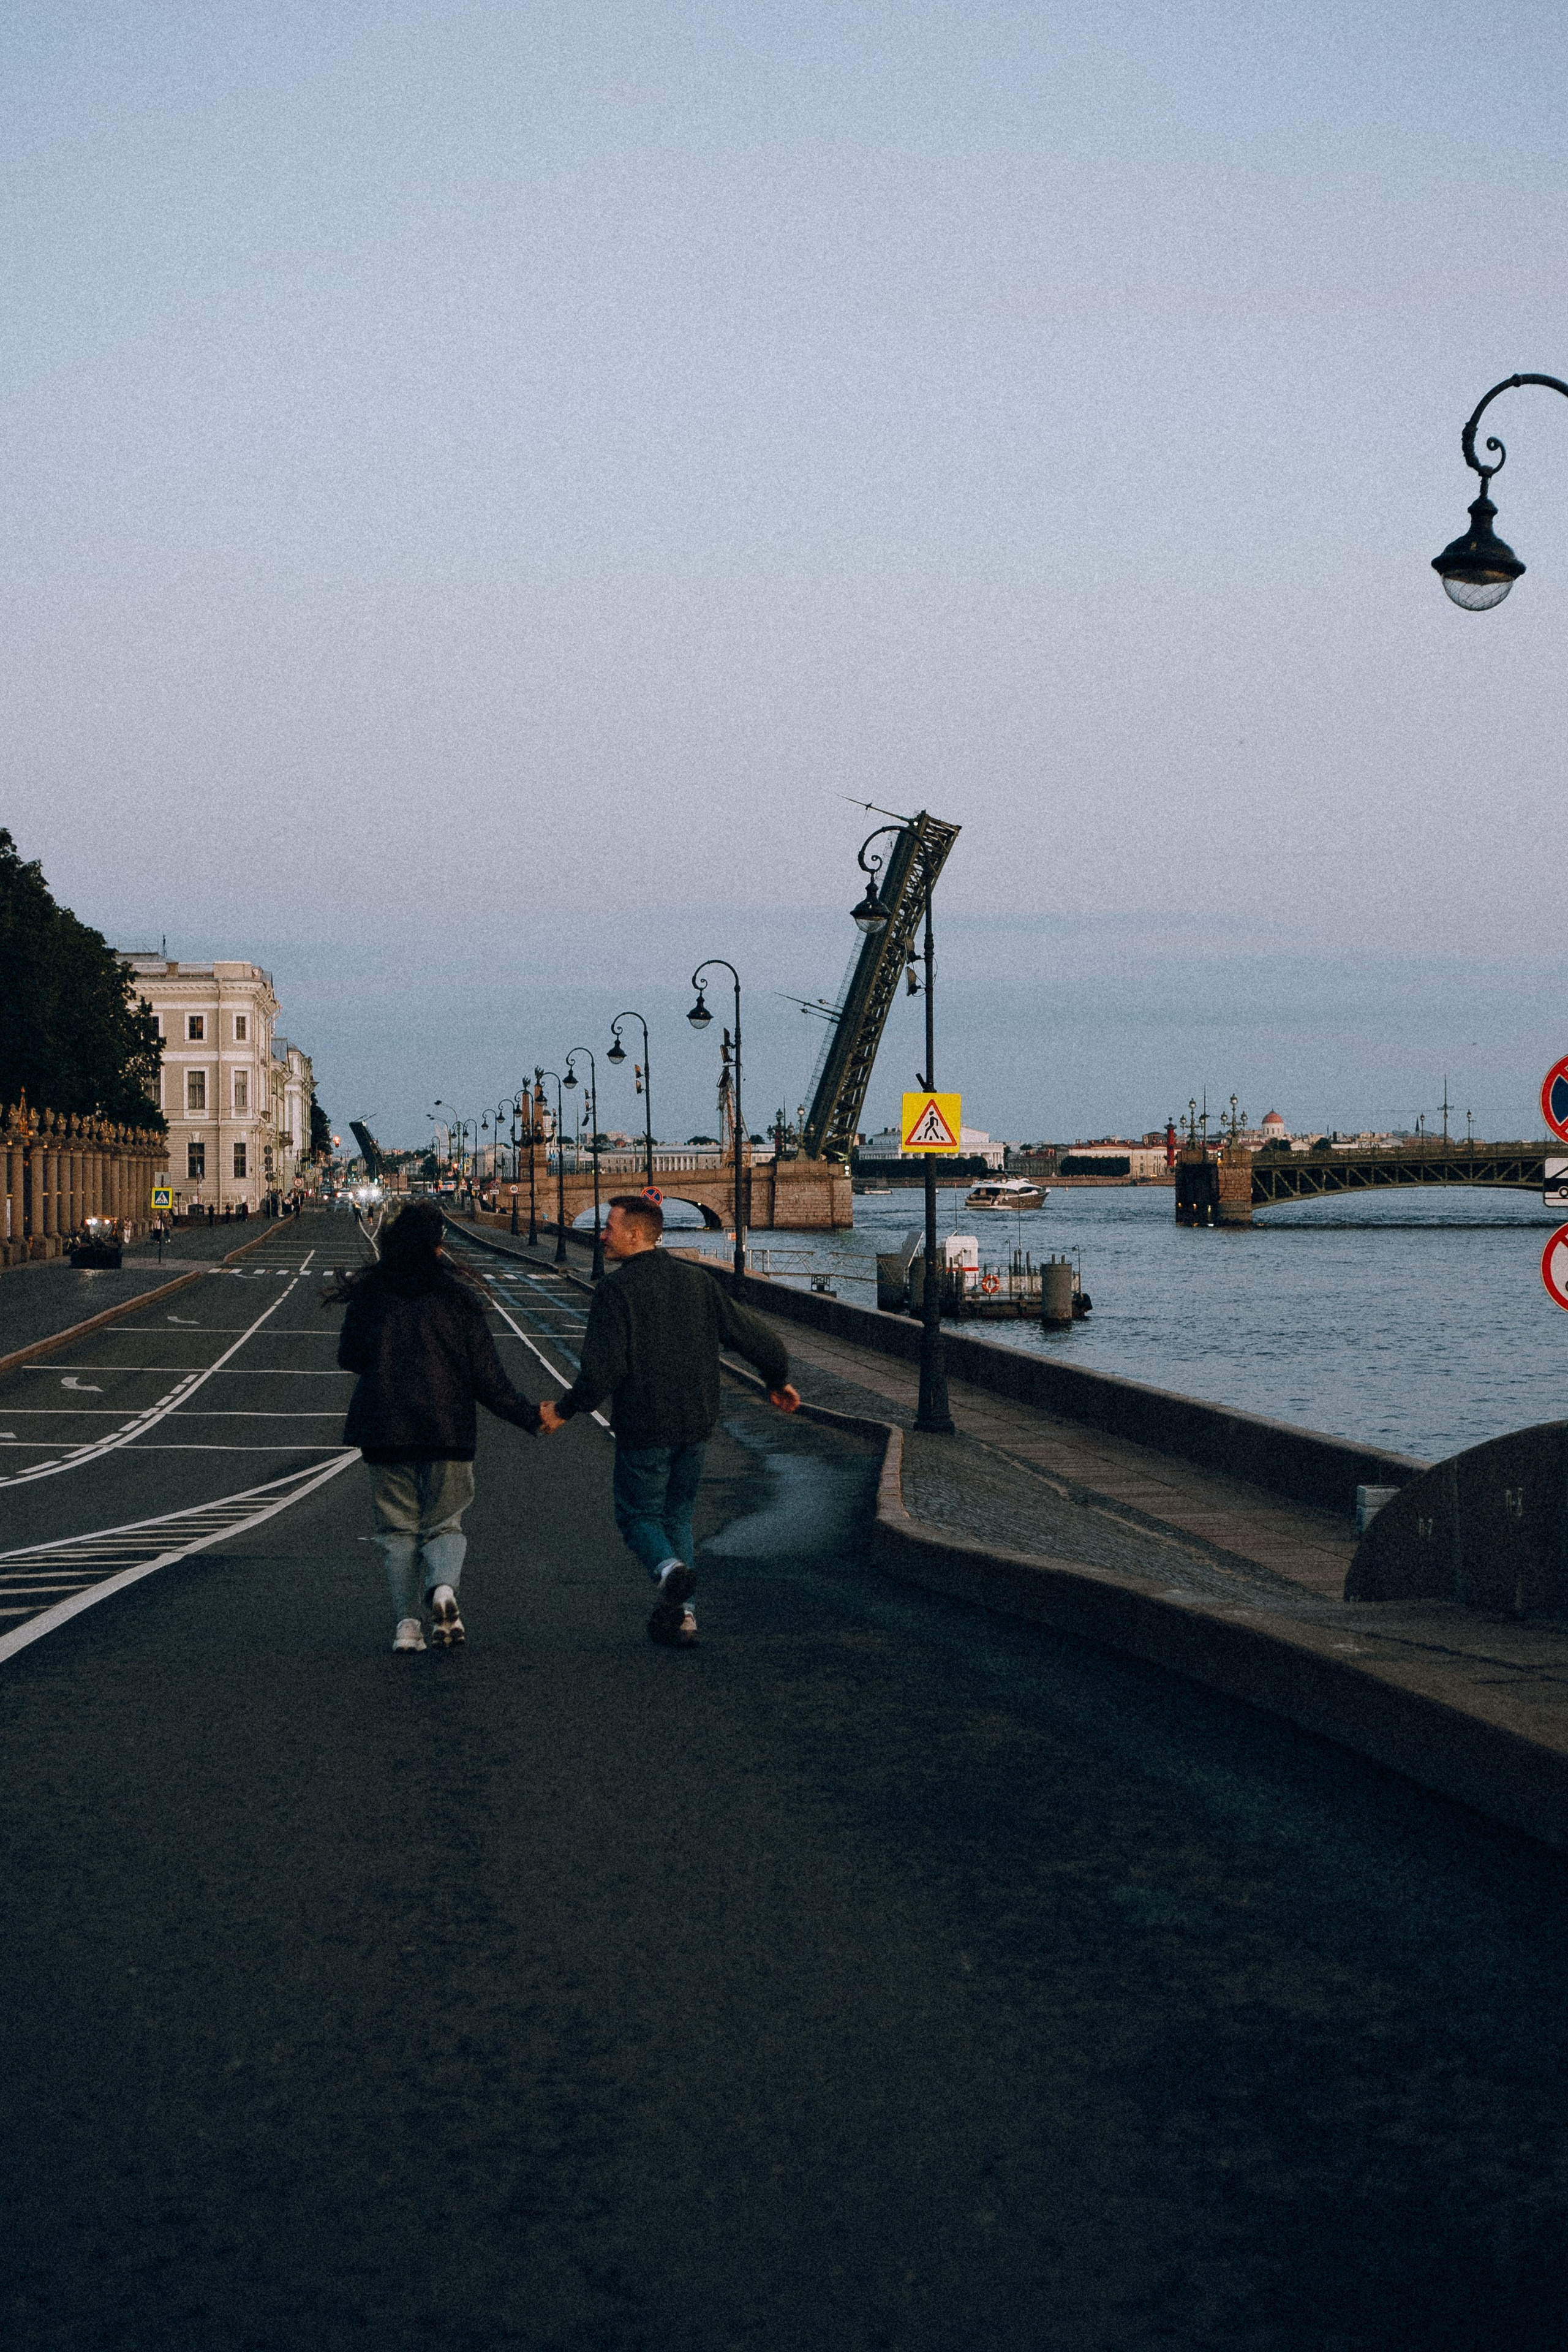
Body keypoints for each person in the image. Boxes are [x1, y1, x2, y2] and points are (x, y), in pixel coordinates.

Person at [538, 1194, 800, 1646]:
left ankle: (669, 1571)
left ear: (636, 1234)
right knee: (678, 1517)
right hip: (696, 1423)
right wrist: (775, 1378)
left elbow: (602, 1370)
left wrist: (563, 1410)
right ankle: (684, 1616)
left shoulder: (616, 1291)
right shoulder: (698, 1283)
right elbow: (757, 1337)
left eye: (611, 1228)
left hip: (645, 1425)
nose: (602, 1236)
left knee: (638, 1516)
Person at [330, 1199, 541, 1653]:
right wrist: (533, 1418)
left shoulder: (371, 1295)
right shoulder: (459, 1300)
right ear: (438, 1246)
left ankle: (408, 1627)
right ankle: (443, 1590)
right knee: (445, 1525)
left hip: (384, 1431)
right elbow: (489, 1381)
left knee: (397, 1531)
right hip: (449, 1432)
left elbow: (349, 1357)